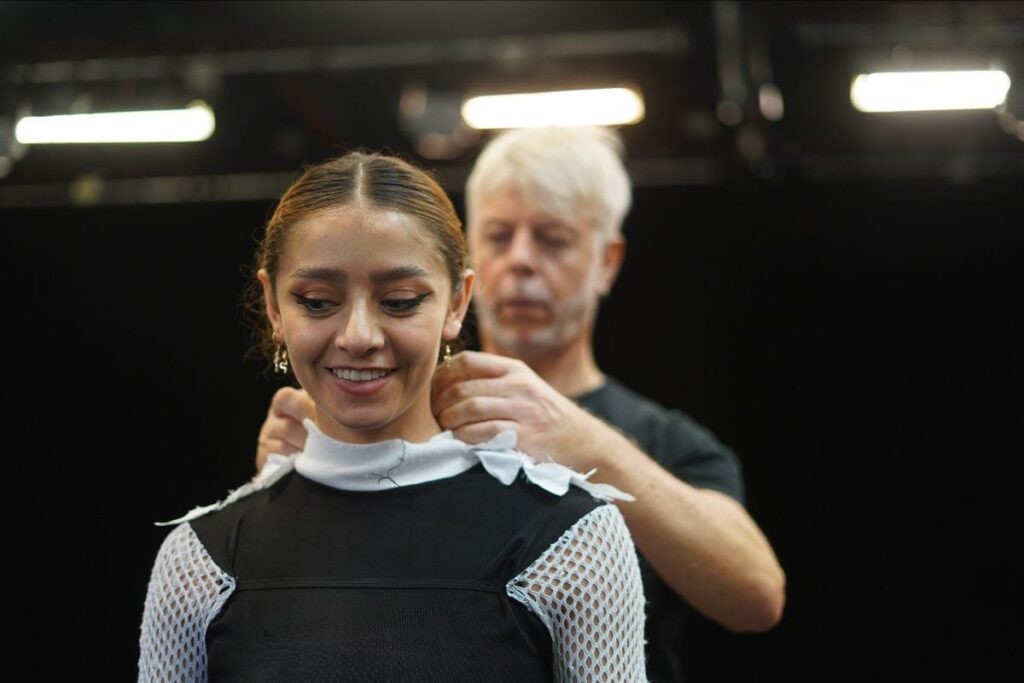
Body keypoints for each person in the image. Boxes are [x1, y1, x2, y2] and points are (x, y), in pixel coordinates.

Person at [255, 127, 786, 682]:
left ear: (607, 261)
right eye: (500, 235)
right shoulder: (380, 401)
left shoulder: (663, 441)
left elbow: (757, 595)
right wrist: (295, 483)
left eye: (553, 239)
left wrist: (583, 442)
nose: (521, 261)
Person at [138, 151, 647, 681]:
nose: (358, 336)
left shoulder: (570, 541)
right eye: (317, 301)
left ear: (457, 302)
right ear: (273, 306)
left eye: (400, 301)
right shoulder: (202, 558)